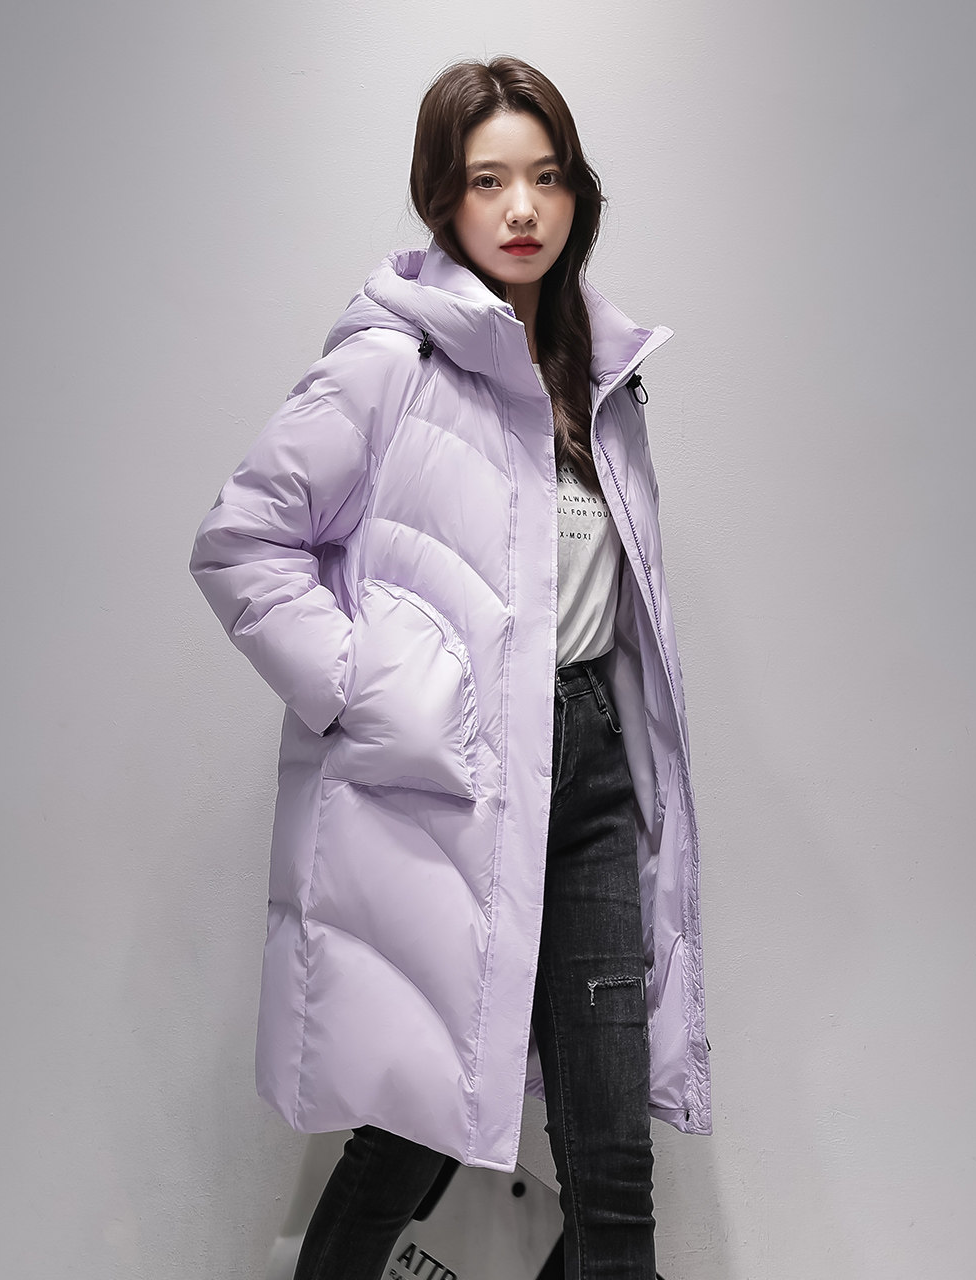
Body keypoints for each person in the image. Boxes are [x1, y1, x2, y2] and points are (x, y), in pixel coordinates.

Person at [190, 54, 710, 1280]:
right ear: (443, 196)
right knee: (411, 1134)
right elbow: (242, 542)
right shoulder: (389, 364)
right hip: (454, 786)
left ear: (577, 194)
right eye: (487, 181)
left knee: (611, 1165)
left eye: (545, 177)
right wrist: (375, 693)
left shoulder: (604, 379)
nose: (521, 208)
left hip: (588, 780)